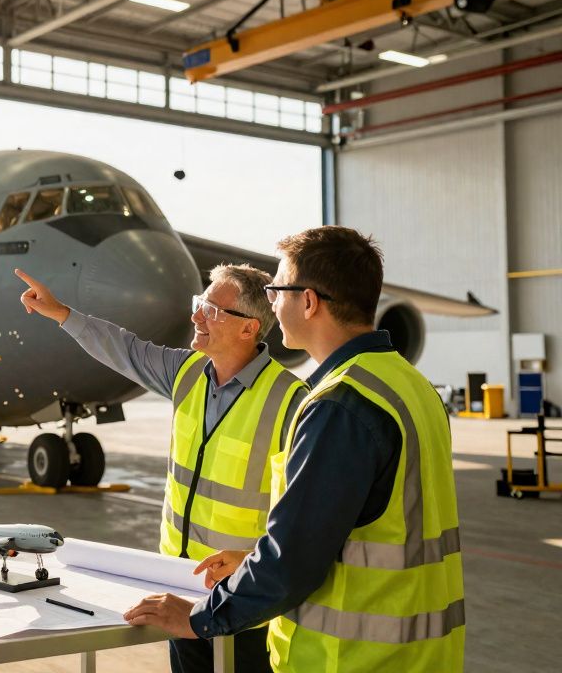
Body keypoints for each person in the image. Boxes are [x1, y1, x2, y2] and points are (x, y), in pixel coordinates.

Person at [123, 226, 465, 672]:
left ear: (308, 301)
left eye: (276, 290)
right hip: (421, 658)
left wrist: (200, 619)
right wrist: (253, 561)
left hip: (348, 660)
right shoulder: (408, 386)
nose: (270, 303)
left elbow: (290, 564)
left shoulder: (340, 406)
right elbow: (364, 532)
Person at [16, 264, 305, 673]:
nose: (196, 316)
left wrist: (254, 562)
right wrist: (62, 313)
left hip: (246, 599)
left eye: (212, 310)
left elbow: (306, 519)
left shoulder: (292, 401)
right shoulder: (186, 373)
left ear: (248, 329)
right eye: (200, 304)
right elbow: (124, 348)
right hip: (179, 585)